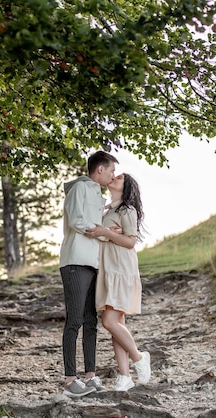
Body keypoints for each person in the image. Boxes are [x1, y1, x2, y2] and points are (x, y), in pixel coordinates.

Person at [59, 150, 118, 398]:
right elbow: (75, 219)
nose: (113, 176)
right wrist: (100, 230)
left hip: (92, 263)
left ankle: (90, 376)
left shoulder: (97, 194)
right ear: (100, 169)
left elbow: (98, 228)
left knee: (90, 321)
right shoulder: (80, 188)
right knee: (74, 321)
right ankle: (70, 380)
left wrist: (105, 229)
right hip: (75, 261)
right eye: (112, 170)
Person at [84, 173, 151, 391]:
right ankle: (125, 377)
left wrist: (105, 232)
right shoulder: (109, 210)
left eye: (120, 177)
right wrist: (105, 231)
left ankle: (139, 357)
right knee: (117, 325)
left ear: (127, 186)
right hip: (109, 269)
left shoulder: (127, 209)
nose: (114, 177)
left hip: (121, 269)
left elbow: (130, 242)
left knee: (109, 322)